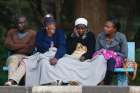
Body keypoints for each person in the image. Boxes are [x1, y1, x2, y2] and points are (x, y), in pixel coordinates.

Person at [4, 16, 36, 86]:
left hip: (27, 57)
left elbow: (29, 49)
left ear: (26, 23)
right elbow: (8, 45)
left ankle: (11, 81)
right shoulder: (11, 32)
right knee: (13, 60)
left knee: (25, 62)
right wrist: (24, 45)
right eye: (18, 23)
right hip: (13, 55)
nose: (20, 24)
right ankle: (12, 82)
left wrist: (15, 45)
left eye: (22, 23)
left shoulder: (33, 33)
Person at [96, 17, 128, 85]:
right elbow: (96, 52)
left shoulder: (121, 37)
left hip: (116, 61)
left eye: (108, 27)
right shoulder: (100, 36)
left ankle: (106, 84)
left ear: (114, 29)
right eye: (105, 26)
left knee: (111, 60)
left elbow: (124, 54)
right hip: (102, 60)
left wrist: (111, 53)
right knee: (101, 60)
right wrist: (104, 54)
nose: (105, 28)